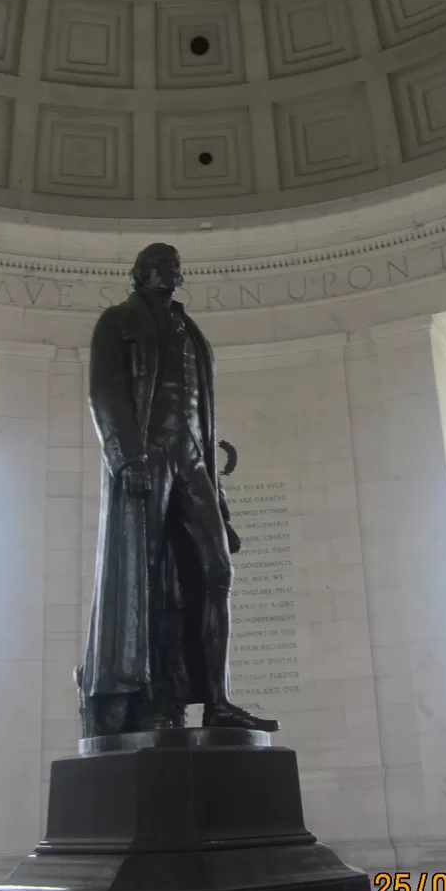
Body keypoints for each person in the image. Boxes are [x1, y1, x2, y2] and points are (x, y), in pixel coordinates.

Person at [79, 242, 279, 736]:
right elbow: (103, 392)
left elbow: (202, 416)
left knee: (215, 571)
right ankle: (157, 700)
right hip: (147, 455)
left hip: (193, 460)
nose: (170, 272)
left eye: (175, 266)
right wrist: (127, 458)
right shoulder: (118, 319)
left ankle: (218, 702)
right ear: (138, 272)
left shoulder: (191, 332)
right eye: (160, 264)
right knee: (149, 581)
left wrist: (222, 506)